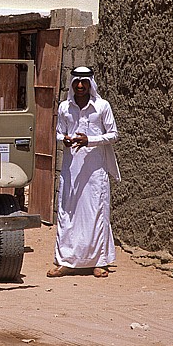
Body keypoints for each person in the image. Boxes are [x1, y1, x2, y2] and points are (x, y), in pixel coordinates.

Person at [47, 66, 121, 278]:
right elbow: (59, 133)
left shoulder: (102, 106)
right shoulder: (64, 107)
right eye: (76, 82)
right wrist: (67, 139)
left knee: (96, 213)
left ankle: (99, 262)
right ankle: (65, 261)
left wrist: (90, 140)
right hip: (72, 169)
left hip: (95, 170)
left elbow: (113, 135)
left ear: (91, 84)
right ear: (71, 84)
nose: (80, 86)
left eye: (84, 82)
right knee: (68, 213)